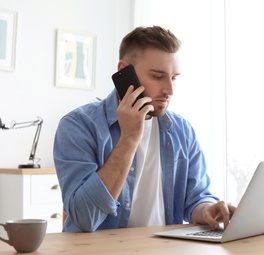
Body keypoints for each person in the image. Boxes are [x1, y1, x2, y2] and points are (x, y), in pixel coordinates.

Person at [53, 25, 236, 232]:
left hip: (163, 250)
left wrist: (207, 210)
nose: (170, 90)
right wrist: (129, 138)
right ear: (124, 72)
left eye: (174, 77)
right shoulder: (78, 125)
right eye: (158, 77)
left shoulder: (182, 130)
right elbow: (84, 217)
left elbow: (196, 197)